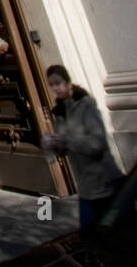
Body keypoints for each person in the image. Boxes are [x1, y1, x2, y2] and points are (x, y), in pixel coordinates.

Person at [42, 64, 124, 227]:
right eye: (51, 85)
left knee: (120, 233)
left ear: (67, 82)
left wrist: (66, 140)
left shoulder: (86, 106)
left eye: (58, 83)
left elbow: (97, 143)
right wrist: (51, 145)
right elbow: (63, 150)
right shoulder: (60, 112)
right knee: (90, 236)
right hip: (86, 188)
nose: (55, 88)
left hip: (105, 183)